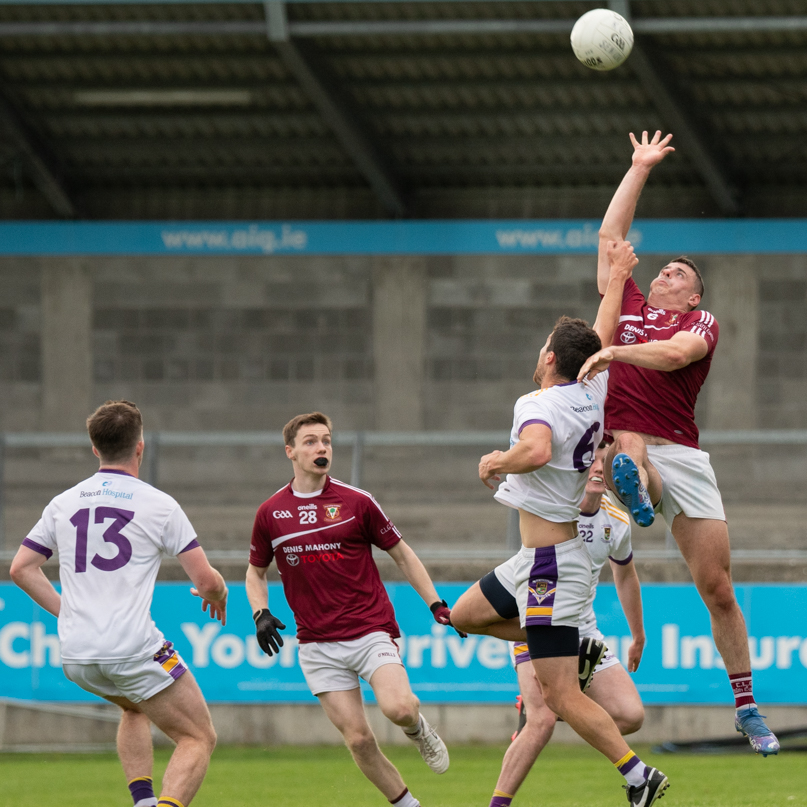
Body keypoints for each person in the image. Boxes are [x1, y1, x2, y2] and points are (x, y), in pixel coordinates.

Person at [578, 130, 779, 756]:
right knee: (627, 443)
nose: (665, 272)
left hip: (684, 456)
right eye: (663, 268)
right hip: (625, 444)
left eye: (678, 272)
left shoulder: (699, 322)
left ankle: (746, 705)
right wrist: (638, 168)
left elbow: (674, 357)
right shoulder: (628, 299)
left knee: (718, 588)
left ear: (692, 294)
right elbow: (611, 242)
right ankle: (635, 489)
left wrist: (614, 349)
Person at [470, 241, 668, 807]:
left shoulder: (537, 403)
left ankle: (636, 776)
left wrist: (494, 462)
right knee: (461, 616)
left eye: (542, 347)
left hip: (552, 561)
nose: (539, 352)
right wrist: (619, 279)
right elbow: (600, 334)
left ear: (550, 358)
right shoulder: (594, 390)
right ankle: (562, 641)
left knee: (556, 699)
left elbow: (533, 452)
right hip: (537, 561)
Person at [10, 400, 227, 807]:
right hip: (131, 648)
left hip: (77, 656)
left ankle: (143, 801)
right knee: (198, 736)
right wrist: (219, 593)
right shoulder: (160, 505)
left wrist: (68, 613)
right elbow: (205, 580)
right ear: (140, 447)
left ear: (95, 448)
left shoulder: (63, 503)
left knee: (134, 706)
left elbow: (21, 568)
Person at [245, 411, 463, 807]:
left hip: (369, 629)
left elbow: (402, 553)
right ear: (290, 451)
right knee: (360, 740)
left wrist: (435, 602)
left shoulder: (357, 502)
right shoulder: (270, 513)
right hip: (317, 643)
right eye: (310, 441)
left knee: (398, 708)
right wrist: (260, 612)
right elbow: (255, 573)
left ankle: (419, 731)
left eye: (326, 440)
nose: (321, 447)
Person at [454, 443, 645, 807]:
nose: (598, 469)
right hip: (537, 610)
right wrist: (500, 461)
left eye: (605, 462)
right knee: (539, 722)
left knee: (631, 716)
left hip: (582, 629)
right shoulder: (555, 508)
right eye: (591, 461)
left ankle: (558, 704)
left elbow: (626, 577)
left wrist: (638, 634)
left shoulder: (616, 522)